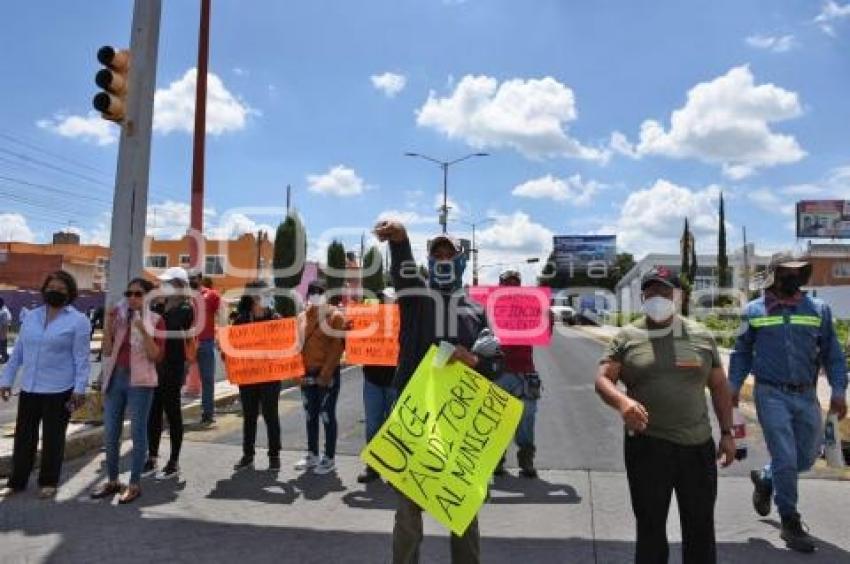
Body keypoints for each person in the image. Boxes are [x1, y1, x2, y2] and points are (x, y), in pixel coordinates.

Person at [375, 220, 503, 564]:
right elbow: (403, 274)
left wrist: (473, 359)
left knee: (463, 512)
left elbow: (496, 365)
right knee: (407, 513)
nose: (444, 259)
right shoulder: (416, 299)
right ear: (428, 262)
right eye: (437, 254)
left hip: (460, 427)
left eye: (450, 254)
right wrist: (400, 240)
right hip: (415, 420)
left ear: (461, 262)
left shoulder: (477, 311)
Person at [595, 267, 736, 564]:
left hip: (697, 448)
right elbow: (603, 380)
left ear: (679, 296)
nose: (657, 297)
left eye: (664, 291)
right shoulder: (628, 336)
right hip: (648, 447)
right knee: (650, 529)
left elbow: (720, 386)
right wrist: (622, 403)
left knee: (700, 529)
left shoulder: (700, 335)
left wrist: (727, 433)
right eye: (651, 292)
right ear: (643, 296)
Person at [729, 254, 847, 553]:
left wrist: (838, 390)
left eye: (798, 272)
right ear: (773, 276)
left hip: (806, 394)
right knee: (785, 454)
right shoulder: (752, 311)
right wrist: (732, 386)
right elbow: (741, 352)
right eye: (786, 273)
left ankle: (766, 478)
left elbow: (833, 353)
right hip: (770, 394)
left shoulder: (819, 309)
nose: (792, 278)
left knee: (805, 457)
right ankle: (790, 521)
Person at [0, 271, 90, 499]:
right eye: (52, 287)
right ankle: (17, 481)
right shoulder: (31, 317)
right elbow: (18, 353)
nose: (56, 292)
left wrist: (79, 389)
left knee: (53, 437)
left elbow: (82, 359)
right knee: (24, 437)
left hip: (60, 390)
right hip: (30, 388)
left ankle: (48, 481)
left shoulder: (78, 321)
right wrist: (6, 380)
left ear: (70, 293)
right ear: (44, 289)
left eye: (61, 289)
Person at [90, 278, 163, 504]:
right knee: (111, 433)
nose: (132, 298)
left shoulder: (156, 320)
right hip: (116, 378)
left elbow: (156, 357)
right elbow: (109, 351)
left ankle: (134, 484)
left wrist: (142, 329)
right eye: (128, 293)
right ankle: (112, 480)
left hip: (140, 382)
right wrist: (109, 327)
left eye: (138, 294)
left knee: (138, 433)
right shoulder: (120, 317)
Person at [145, 267, 194, 481]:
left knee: (172, 412)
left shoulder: (186, 308)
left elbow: (169, 326)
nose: (163, 287)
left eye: (169, 283)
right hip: (155, 364)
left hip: (173, 366)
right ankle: (152, 455)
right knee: (153, 411)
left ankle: (174, 460)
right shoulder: (158, 306)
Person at [493, 269, 542, 478]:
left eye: (515, 283)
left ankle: (526, 460)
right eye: (507, 283)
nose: (511, 286)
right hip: (499, 372)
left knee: (526, 419)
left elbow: (544, 332)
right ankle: (496, 461)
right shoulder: (490, 308)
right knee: (497, 420)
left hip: (525, 372)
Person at [230, 281, 283, 472]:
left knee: (271, 416)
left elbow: (286, 347)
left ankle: (274, 455)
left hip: (270, 377)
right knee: (249, 416)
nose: (269, 298)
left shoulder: (277, 319)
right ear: (254, 298)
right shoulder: (241, 321)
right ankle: (248, 455)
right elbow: (232, 349)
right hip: (248, 377)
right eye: (266, 294)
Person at [295, 279, 346, 475]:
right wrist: (297, 372)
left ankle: (329, 457)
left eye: (319, 292)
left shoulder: (335, 317)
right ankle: (312, 454)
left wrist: (325, 374)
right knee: (310, 415)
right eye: (312, 292)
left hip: (327, 374)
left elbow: (337, 348)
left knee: (326, 415)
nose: (315, 295)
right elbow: (297, 346)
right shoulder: (301, 318)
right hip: (307, 373)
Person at [357, 288, 398, 484]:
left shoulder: (403, 323)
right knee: (373, 424)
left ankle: (391, 467)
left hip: (395, 381)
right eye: (382, 301)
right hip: (372, 379)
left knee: (393, 426)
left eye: (389, 301)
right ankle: (372, 466)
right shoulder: (369, 322)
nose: (385, 304)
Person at [189, 270, 221, 426]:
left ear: (200, 279)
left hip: (205, 342)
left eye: (193, 278)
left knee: (207, 379)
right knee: (175, 378)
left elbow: (220, 315)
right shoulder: (183, 297)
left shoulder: (212, 295)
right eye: (189, 279)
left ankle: (207, 412)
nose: (191, 281)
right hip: (185, 343)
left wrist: (222, 338)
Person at [0, 297, 11, 363]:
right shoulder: (3, 310)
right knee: (2, 344)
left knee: (2, 344)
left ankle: (5, 357)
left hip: (2, 330)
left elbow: (4, 323)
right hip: (2, 330)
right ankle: (5, 356)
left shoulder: (4, 311)